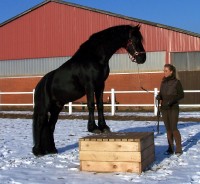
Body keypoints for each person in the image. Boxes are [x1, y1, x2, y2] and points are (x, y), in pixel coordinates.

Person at [156, 64, 184, 156]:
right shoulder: (163, 82)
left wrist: (172, 101)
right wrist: (159, 96)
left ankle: (179, 148)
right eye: (164, 70)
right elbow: (161, 93)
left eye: (166, 70)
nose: (164, 72)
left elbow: (181, 95)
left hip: (173, 107)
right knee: (168, 129)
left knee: (174, 128)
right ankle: (170, 148)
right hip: (164, 108)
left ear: (171, 71)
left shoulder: (176, 82)